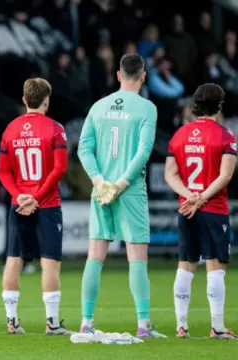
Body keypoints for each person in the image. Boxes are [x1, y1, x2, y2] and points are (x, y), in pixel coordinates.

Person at [77, 53, 165, 338]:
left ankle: (86, 323)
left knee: (95, 256)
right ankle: (143, 325)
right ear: (142, 76)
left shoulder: (99, 106)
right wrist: (122, 183)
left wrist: (100, 182)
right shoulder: (147, 108)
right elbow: (144, 150)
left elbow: (83, 148)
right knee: (137, 257)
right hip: (130, 190)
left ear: (117, 75)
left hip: (101, 191)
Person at [0, 78, 72, 335]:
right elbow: (59, 168)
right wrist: (37, 197)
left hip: (19, 205)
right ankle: (52, 323)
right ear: (46, 101)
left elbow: (2, 172)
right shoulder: (55, 129)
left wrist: (19, 196)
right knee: (49, 262)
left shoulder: (10, 129)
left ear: (25, 100)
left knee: (13, 260)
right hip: (47, 204)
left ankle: (12, 321)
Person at [164, 83, 238, 339]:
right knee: (215, 266)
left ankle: (181, 326)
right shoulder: (225, 136)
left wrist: (188, 195)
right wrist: (202, 197)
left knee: (185, 265)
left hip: (187, 209)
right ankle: (217, 327)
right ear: (219, 105)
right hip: (213, 209)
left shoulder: (180, 135)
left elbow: (169, 174)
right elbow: (226, 175)